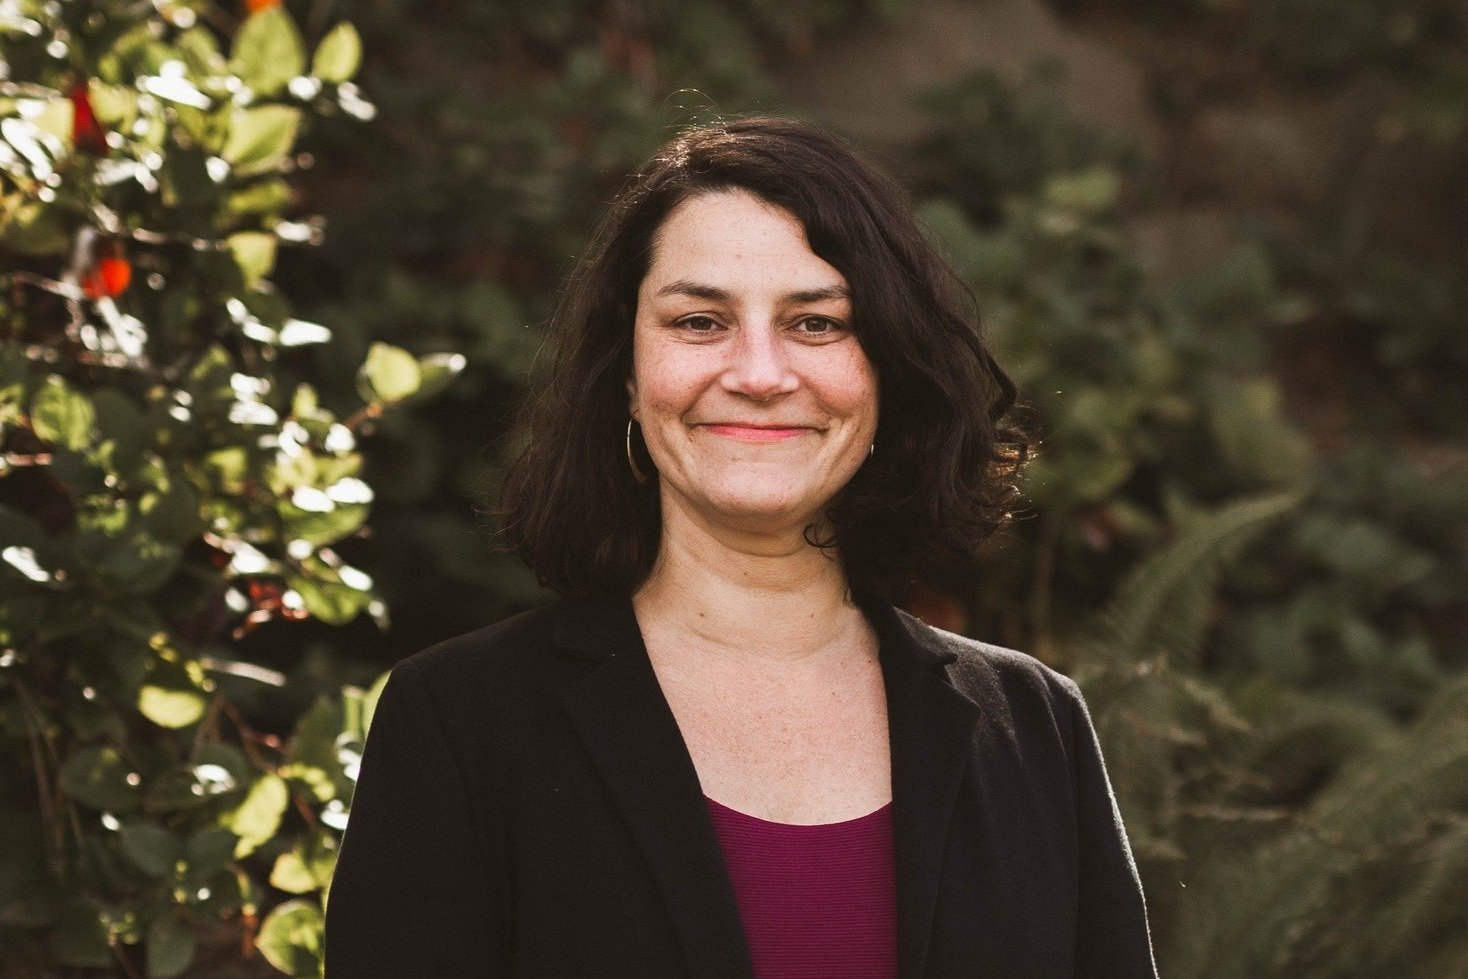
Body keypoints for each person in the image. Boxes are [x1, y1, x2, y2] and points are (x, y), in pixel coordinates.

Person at [324, 117, 1157, 978]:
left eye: (817, 323)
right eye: (698, 321)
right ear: (627, 374)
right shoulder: (461, 722)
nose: (759, 374)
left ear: (887, 368)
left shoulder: (1034, 727)